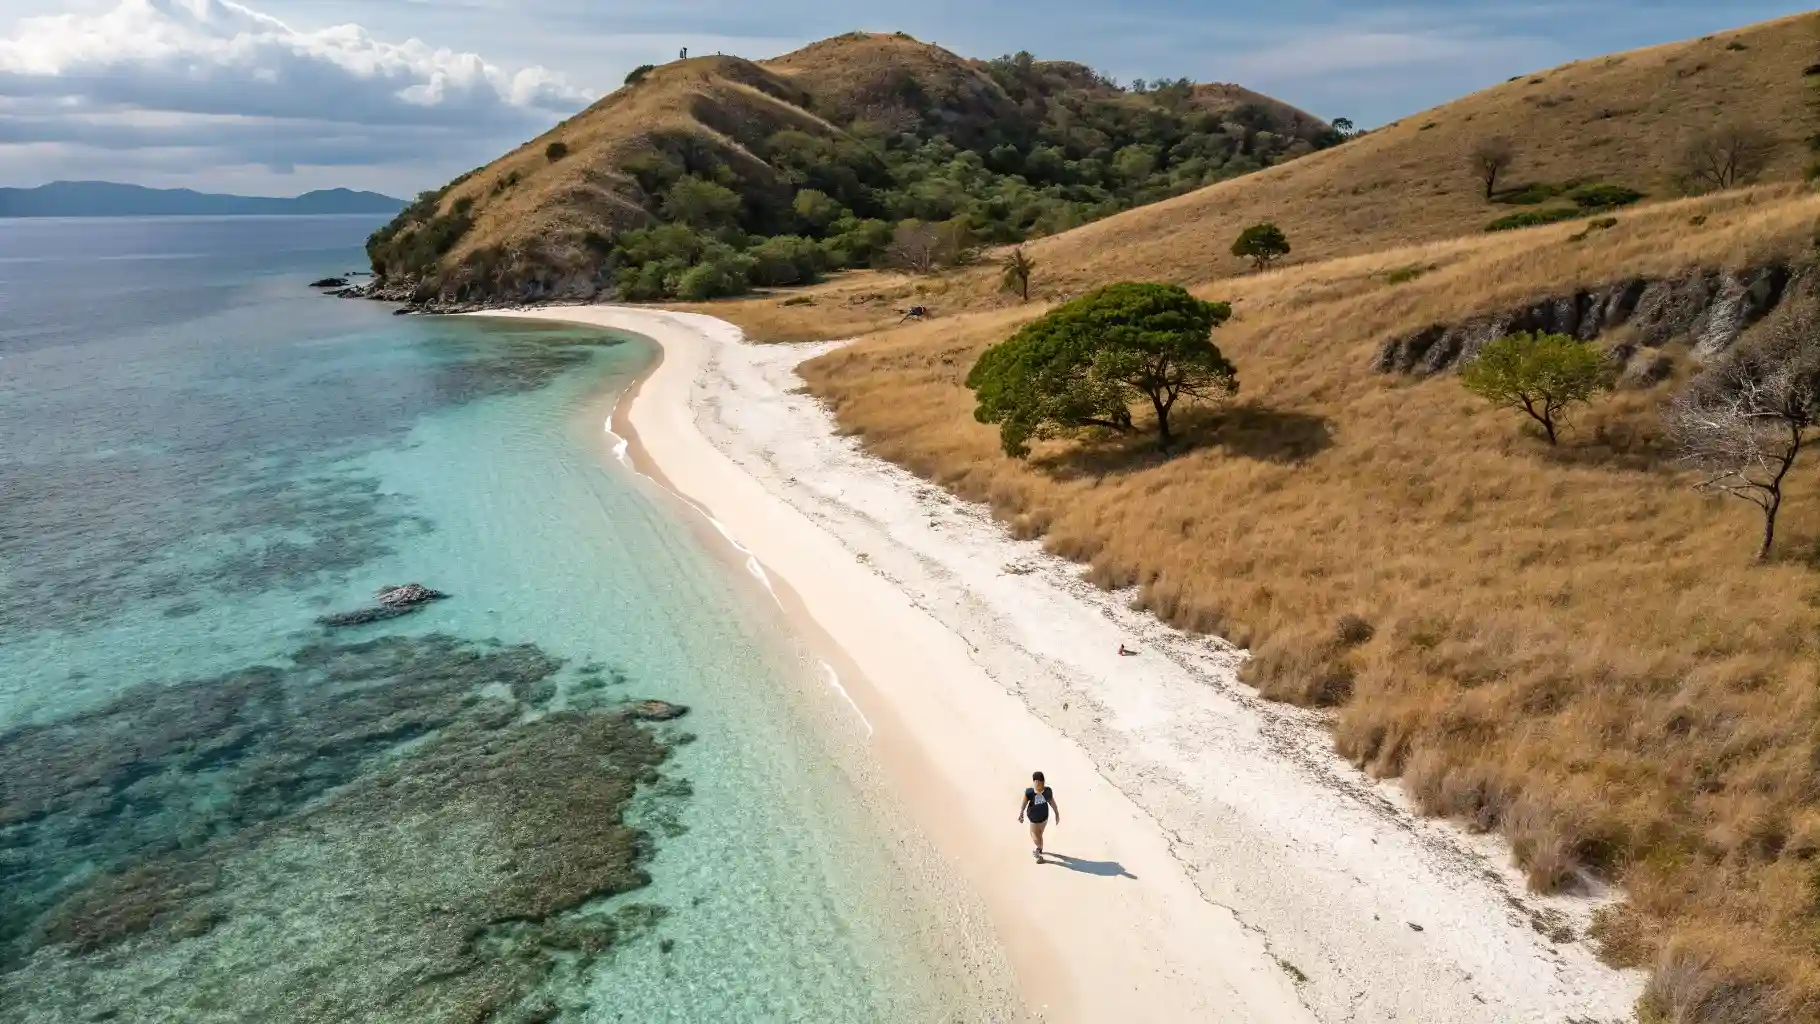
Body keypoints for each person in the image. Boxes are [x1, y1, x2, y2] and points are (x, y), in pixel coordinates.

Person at [1018, 771, 1060, 862]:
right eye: (1037, 782)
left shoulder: (1044, 792)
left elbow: (1052, 803)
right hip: (1037, 818)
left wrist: (1057, 813)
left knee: (1035, 834)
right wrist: (1021, 813)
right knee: (1037, 834)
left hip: (1041, 818)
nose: (1039, 784)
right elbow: (1024, 803)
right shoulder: (1032, 792)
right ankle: (1039, 849)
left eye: (1040, 782)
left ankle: (1038, 849)